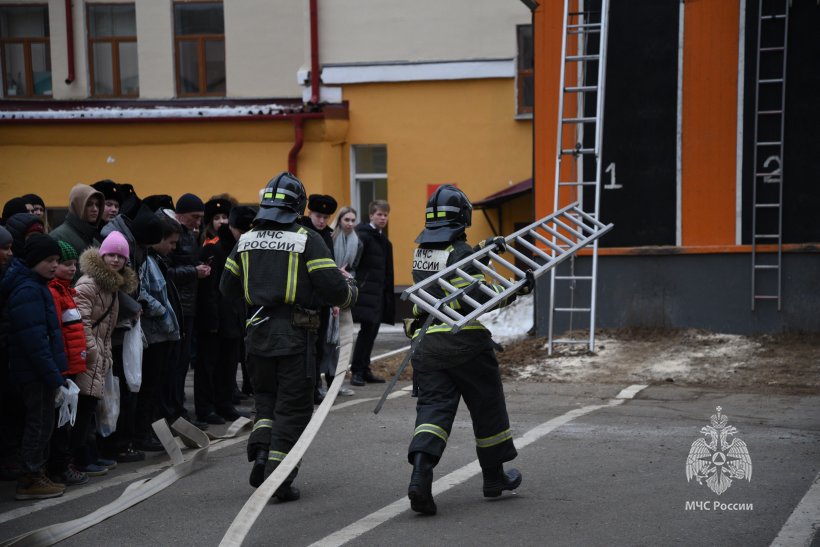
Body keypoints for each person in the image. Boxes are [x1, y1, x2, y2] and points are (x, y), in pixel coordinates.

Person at [220, 172, 357, 502]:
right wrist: (350, 291)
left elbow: (227, 287)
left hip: (257, 335)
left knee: (266, 400)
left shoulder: (246, 240)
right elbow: (333, 287)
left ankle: (263, 453)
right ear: (298, 207)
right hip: (296, 337)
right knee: (294, 408)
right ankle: (279, 480)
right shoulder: (307, 239)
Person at [405, 185, 528, 515]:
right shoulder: (459, 252)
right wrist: (518, 288)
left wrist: (483, 251)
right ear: (463, 218)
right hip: (466, 346)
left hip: (428, 347)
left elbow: (454, 272)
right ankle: (494, 477)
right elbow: (475, 296)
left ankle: (420, 475)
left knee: (433, 412)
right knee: (487, 408)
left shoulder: (423, 251)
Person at [1, 234, 68, 499]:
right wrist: (53, 375)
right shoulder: (28, 290)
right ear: (33, 261)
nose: (54, 265)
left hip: (39, 370)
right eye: (49, 260)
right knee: (38, 424)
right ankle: (30, 477)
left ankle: (37, 472)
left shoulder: (37, 285)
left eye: (57, 261)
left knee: (42, 422)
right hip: (34, 372)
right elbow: (34, 341)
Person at [72, 231, 138, 477]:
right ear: (101, 255)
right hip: (87, 356)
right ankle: (79, 458)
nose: (115, 260)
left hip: (98, 356)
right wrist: (94, 353)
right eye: (110, 254)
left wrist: (106, 355)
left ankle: (87, 455)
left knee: (91, 410)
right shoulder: (89, 284)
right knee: (84, 410)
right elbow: (82, 322)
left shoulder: (111, 286)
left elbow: (107, 329)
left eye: (120, 256)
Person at [196, 205, 255, 421]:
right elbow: (209, 290)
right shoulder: (214, 248)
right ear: (232, 227)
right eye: (242, 231)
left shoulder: (240, 247)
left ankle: (224, 403)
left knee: (229, 365)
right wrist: (211, 321)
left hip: (234, 317)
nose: (245, 235)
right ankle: (206, 408)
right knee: (209, 366)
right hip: (216, 318)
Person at [137, 213, 182, 452]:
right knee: (149, 387)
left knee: (156, 387)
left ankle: (150, 431)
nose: (173, 247)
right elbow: (141, 293)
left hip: (163, 334)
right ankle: (143, 434)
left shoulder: (155, 260)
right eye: (171, 242)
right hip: (154, 335)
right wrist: (163, 313)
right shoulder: (145, 261)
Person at [47, 241, 89, 486]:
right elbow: (57, 334)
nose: (72, 268)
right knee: (60, 422)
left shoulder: (67, 291)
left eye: (74, 264)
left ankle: (64, 464)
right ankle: (59, 466)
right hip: (62, 368)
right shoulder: (55, 293)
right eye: (66, 264)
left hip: (72, 366)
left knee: (66, 419)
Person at [168, 194, 212, 426]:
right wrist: (195, 272)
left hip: (188, 307)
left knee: (183, 363)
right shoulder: (174, 235)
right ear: (180, 215)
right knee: (176, 365)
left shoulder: (189, 235)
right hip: (178, 308)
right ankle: (175, 414)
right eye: (195, 217)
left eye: (200, 218)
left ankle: (179, 412)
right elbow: (169, 272)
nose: (198, 222)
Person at [298, 194, 345, 403]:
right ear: (310, 213)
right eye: (318, 216)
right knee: (303, 345)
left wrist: (334, 300)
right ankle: (304, 387)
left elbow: (330, 268)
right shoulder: (301, 232)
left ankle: (315, 386)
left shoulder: (326, 235)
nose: (322, 221)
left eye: (326, 217)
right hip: (303, 300)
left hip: (321, 301)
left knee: (318, 346)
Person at [350, 199, 394, 386]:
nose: (383, 218)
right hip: (366, 292)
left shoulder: (383, 239)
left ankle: (364, 368)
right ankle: (357, 372)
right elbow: (355, 263)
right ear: (371, 215)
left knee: (371, 331)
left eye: (385, 215)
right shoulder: (363, 236)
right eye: (379, 214)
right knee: (366, 331)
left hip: (378, 293)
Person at [322, 206, 363, 395]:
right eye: (347, 220)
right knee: (326, 342)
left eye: (353, 220)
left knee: (339, 342)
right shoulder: (330, 239)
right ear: (339, 220)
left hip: (344, 295)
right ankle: (322, 384)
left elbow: (354, 269)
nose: (350, 224)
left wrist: (349, 277)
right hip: (328, 295)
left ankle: (335, 384)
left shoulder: (356, 242)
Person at [49, 184, 104, 260]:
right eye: (89, 204)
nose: (95, 209)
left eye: (97, 205)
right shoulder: (58, 237)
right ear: (77, 205)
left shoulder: (95, 242)